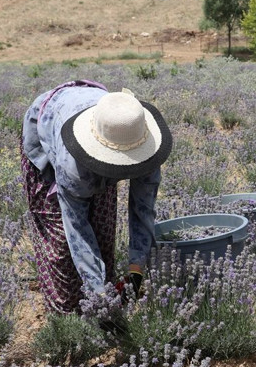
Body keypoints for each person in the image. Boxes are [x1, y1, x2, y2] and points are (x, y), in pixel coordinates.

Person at [21, 80, 172, 314]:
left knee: (103, 230)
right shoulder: (73, 166)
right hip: (50, 123)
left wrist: (136, 269)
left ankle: (105, 301)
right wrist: (98, 293)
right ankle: (66, 313)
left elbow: (143, 209)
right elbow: (77, 227)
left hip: (101, 124)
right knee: (60, 239)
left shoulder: (141, 141)